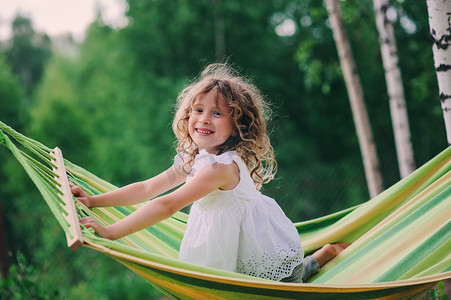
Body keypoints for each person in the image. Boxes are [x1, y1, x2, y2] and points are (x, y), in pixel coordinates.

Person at [71, 63, 349, 283]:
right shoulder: (196, 157)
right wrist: (94, 201)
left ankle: (325, 255)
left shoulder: (221, 169)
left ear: (237, 125)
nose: (203, 118)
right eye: (198, 110)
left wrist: (110, 233)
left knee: (284, 288)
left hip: (263, 255)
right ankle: (321, 256)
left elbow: (167, 204)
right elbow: (147, 189)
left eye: (217, 114)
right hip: (226, 252)